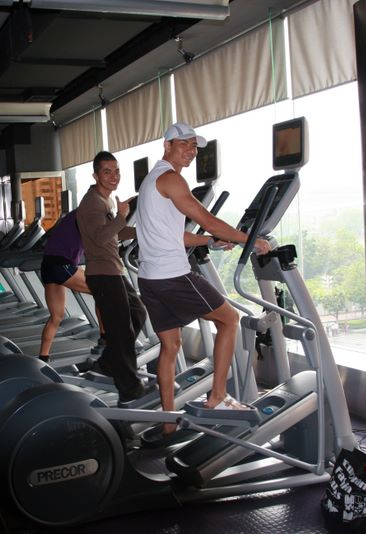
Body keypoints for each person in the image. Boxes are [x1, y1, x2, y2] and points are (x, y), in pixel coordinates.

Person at [136, 122, 271, 433]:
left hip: (150, 278)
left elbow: (177, 235)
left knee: (170, 346)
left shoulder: (151, 181)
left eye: (194, 146)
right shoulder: (172, 179)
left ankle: (168, 423)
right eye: (184, 144)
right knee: (230, 319)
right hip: (172, 276)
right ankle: (218, 396)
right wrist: (249, 240)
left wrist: (209, 242)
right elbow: (207, 219)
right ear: (167, 145)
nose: (191, 150)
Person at [77, 151, 149, 404]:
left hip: (113, 271)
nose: (113, 176)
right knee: (122, 331)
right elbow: (101, 237)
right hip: (103, 274)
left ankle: (108, 363)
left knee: (137, 313)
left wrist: (142, 231)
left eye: (116, 171)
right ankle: (130, 389)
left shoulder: (104, 199)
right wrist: (121, 216)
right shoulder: (92, 203)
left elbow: (114, 233)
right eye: (107, 172)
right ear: (96, 175)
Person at [37, 209, 104, 363]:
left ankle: (43, 358)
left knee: (56, 317)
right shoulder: (87, 214)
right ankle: (105, 339)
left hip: (47, 265)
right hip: (62, 265)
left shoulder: (73, 215)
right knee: (102, 290)